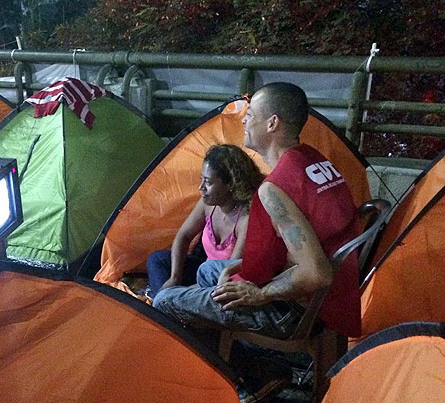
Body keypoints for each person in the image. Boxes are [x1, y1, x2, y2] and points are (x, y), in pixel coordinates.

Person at [153, 82, 361, 342]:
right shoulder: (314, 160)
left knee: (163, 301)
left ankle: (243, 369)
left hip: (296, 310)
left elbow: (317, 273)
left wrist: (259, 295)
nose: (244, 122)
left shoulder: (275, 188)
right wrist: (243, 269)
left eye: (250, 115)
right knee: (206, 272)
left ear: (272, 123)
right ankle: (231, 351)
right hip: (334, 294)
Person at [146, 144, 263, 298]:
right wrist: (175, 278)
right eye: (201, 180)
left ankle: (164, 302)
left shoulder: (245, 220)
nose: (201, 187)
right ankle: (166, 302)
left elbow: (229, 275)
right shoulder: (208, 205)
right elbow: (184, 236)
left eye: (208, 182)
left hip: (220, 284)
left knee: (170, 296)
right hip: (202, 270)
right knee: (158, 259)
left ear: (230, 185)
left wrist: (182, 292)